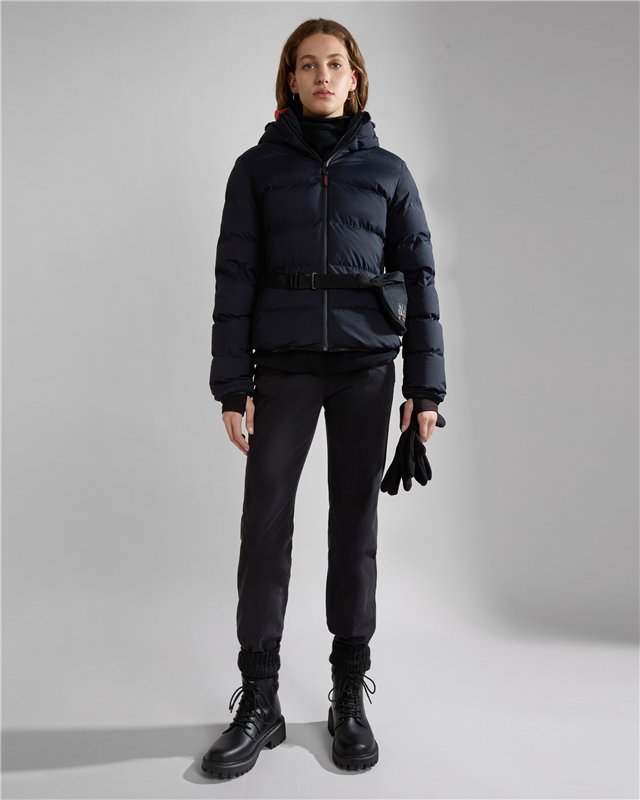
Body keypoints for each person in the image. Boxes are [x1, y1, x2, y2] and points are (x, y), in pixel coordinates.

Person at [201, 17, 446, 779]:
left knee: (354, 527)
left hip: (367, 370)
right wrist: (232, 385)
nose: (321, 76)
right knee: (264, 527)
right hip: (283, 371)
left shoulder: (389, 173)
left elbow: (421, 281)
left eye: (334, 63)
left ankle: (347, 692)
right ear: (291, 79)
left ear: (355, 77)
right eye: (307, 65)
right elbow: (235, 276)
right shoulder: (255, 170)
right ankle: (261, 699)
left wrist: (425, 388)